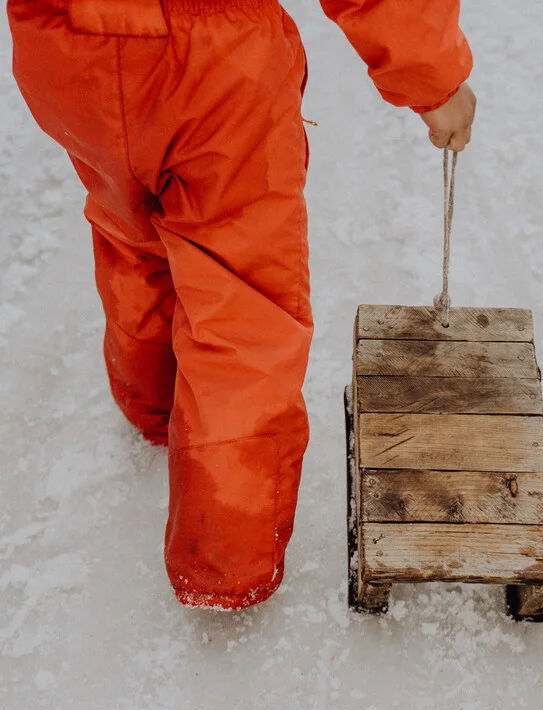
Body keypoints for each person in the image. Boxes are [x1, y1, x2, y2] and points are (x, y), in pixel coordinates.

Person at [6, 0, 476, 610]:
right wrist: (432, 76)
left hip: (63, 47)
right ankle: (226, 558)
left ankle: (153, 404)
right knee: (240, 300)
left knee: (134, 233)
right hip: (211, 57)